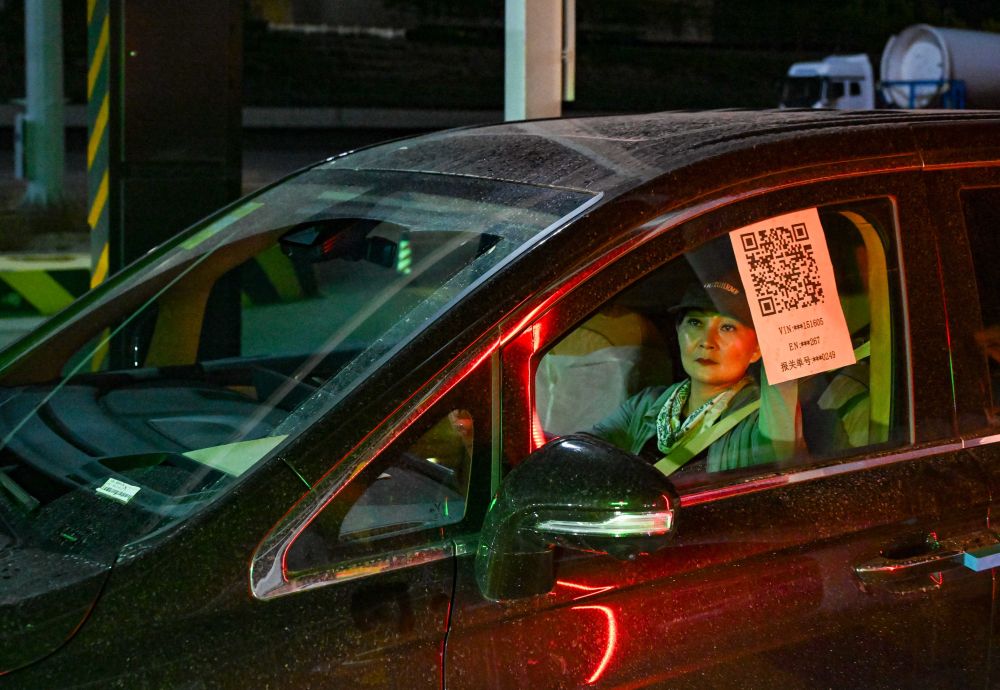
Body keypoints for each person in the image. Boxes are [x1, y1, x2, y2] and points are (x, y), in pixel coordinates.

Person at [590, 274, 801, 476]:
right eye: (695, 323)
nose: (707, 341)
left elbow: (780, 455)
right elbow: (589, 449)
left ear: (757, 348)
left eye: (727, 327)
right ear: (678, 330)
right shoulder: (646, 404)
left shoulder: (760, 419)